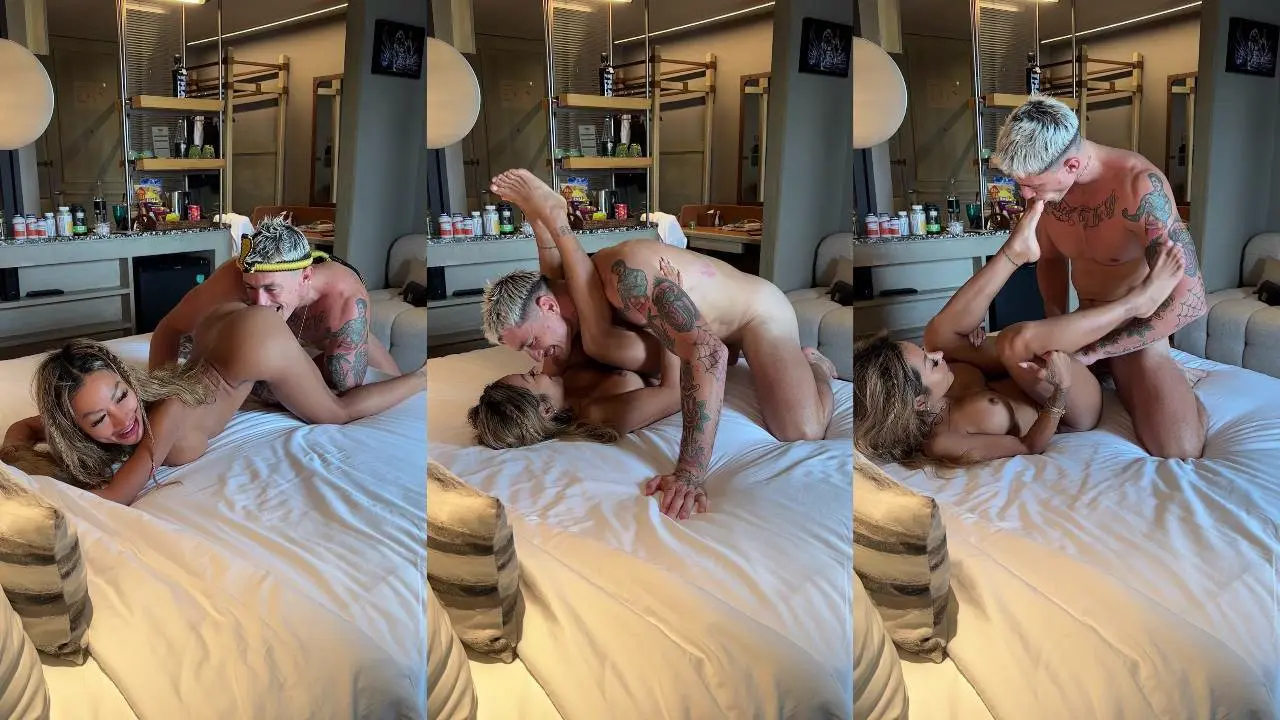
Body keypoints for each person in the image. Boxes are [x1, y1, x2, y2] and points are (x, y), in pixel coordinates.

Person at [483, 169, 838, 521]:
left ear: (548, 307)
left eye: (533, 342)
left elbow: (708, 352)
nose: (536, 358)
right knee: (594, 342)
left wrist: (690, 473)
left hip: (756, 314)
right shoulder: (566, 304)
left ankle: (816, 365)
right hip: (701, 328)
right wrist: (541, 224)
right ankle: (550, 218)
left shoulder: (627, 278)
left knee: (801, 430)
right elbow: (554, 277)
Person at [853, 198, 1186, 466]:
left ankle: (1016, 252)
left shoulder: (940, 387)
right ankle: (1137, 303)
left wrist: (976, 348)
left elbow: (967, 359)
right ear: (919, 402)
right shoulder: (945, 441)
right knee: (1015, 342)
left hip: (1031, 373)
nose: (938, 356)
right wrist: (1060, 390)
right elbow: (1028, 446)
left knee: (938, 333)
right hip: (1071, 403)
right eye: (931, 363)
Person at [3, 303, 427, 506]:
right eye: (98, 419)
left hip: (253, 343)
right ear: (72, 426)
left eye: (122, 396)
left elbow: (115, 496)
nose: (123, 419)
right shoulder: (80, 421)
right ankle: (335, 349)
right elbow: (24, 428)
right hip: (219, 338)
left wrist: (25, 479)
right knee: (295, 387)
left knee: (336, 411)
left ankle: (421, 376)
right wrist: (15, 453)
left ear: (128, 381)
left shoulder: (165, 414)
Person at [991, 95, 1209, 459]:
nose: (1026, 194)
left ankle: (1178, 380)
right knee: (1012, 359)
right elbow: (1051, 261)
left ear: (1072, 164)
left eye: (1033, 185)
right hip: (1083, 323)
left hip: (1136, 330)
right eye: (1022, 184)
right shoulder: (1049, 192)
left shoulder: (1139, 186)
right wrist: (1057, 325)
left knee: (1179, 447)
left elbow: (1192, 300)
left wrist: (1097, 352)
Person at [148, 215, 401, 396]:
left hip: (330, 336)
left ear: (305, 276)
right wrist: (158, 395)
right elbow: (169, 328)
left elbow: (339, 392)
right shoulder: (233, 277)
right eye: (250, 287)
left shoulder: (345, 300)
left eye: (271, 289)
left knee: (382, 385)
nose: (259, 303)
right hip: (297, 341)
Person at [467, 349, 681, 450]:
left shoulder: (561, 381)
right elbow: (675, 393)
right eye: (530, 376)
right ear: (546, 410)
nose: (535, 369)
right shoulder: (597, 416)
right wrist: (666, 318)